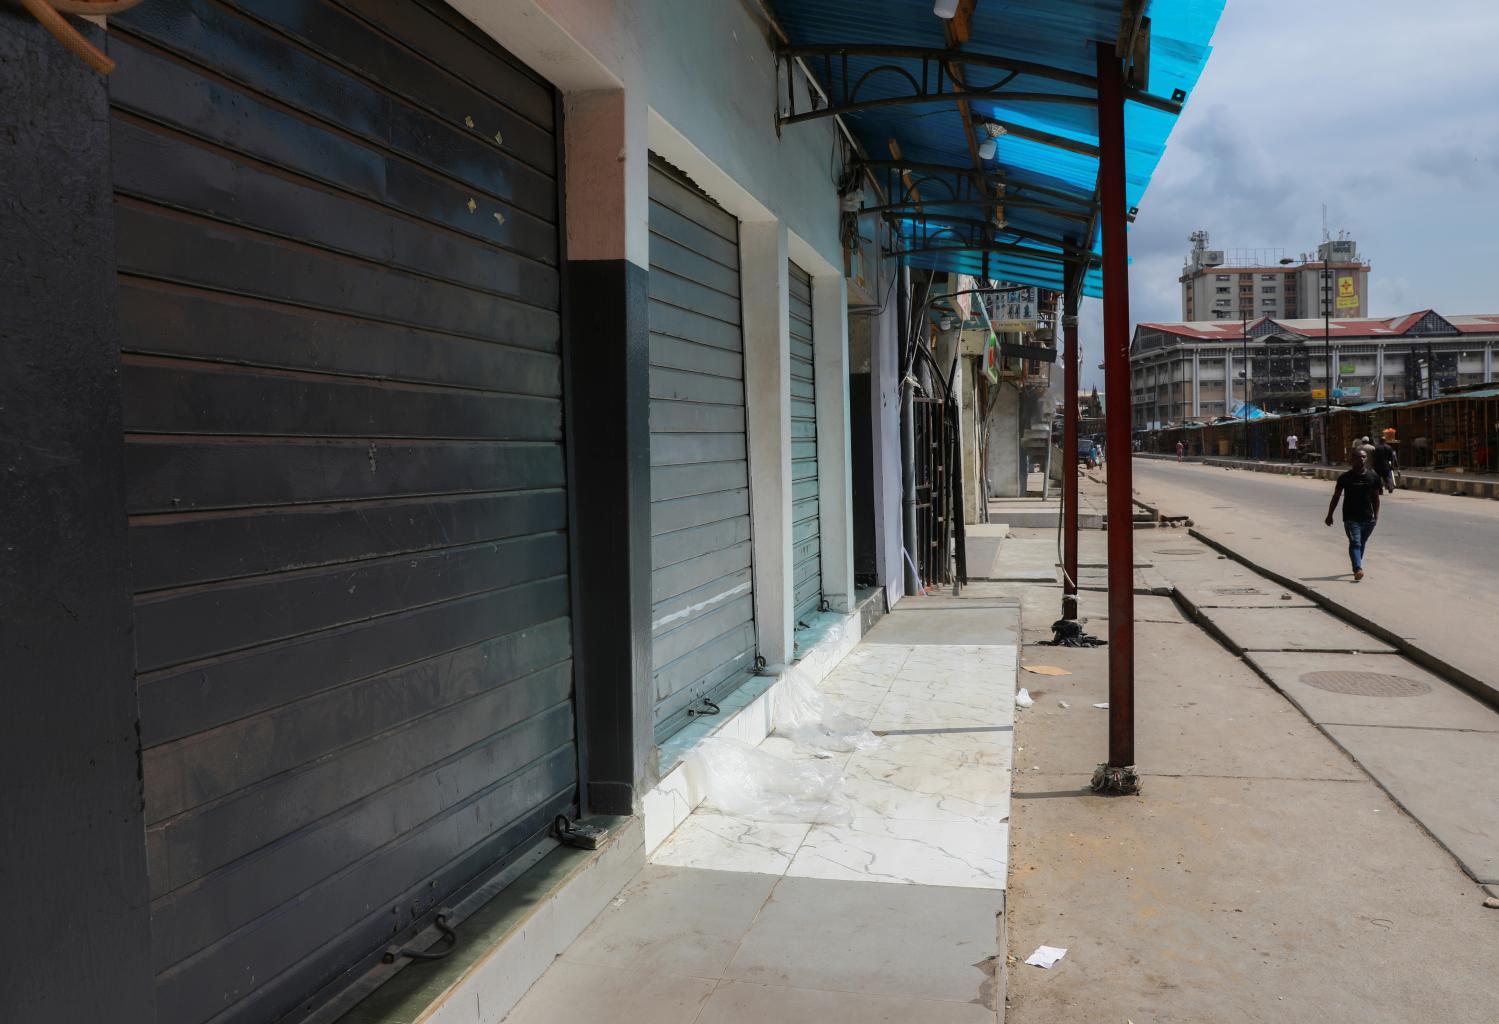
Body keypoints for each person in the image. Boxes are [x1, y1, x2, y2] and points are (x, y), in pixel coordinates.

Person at [1324, 449, 1382, 582]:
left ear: (1366, 459)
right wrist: (1330, 515)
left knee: (1361, 543)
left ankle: (1357, 564)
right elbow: (1336, 496)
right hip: (1351, 518)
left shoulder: (1373, 477)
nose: (1361, 459)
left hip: (1368, 518)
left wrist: (1376, 516)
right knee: (1355, 542)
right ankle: (1357, 569)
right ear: (1352, 460)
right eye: (1358, 457)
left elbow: (1376, 498)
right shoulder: (1345, 478)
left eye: (1363, 457)